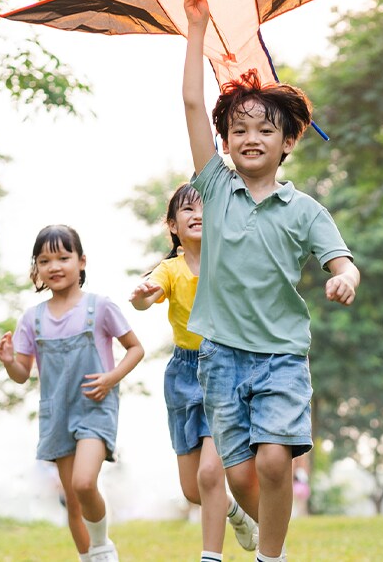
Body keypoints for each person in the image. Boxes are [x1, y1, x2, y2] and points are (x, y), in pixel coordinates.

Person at [182, 0, 361, 562]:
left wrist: (343, 279)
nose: (250, 137)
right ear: (225, 143)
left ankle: (271, 558)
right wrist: (196, 29)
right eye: (238, 130)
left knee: (275, 458)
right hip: (220, 355)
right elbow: (190, 104)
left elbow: (342, 261)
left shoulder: (305, 210)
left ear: (288, 141)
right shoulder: (214, 188)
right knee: (239, 477)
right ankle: (264, 534)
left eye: (264, 129)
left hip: (281, 352)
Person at [0, 225, 145, 562]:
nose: (55, 266)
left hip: (95, 406)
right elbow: (21, 374)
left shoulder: (101, 307)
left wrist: (111, 378)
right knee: (73, 501)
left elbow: (135, 349)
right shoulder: (32, 319)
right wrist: (8, 361)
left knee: (83, 483)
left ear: (81, 262)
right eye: (45, 260)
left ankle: (103, 547)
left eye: (64, 257)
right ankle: (88, 557)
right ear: (37, 269)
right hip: (56, 413)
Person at [129, 183, 260, 561]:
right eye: (186, 210)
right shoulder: (170, 269)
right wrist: (142, 297)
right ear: (172, 225)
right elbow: (151, 294)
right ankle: (233, 511)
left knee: (208, 474)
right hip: (184, 375)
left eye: (205, 206)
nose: (197, 214)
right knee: (192, 490)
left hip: (225, 371)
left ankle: (210, 556)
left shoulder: (228, 260)